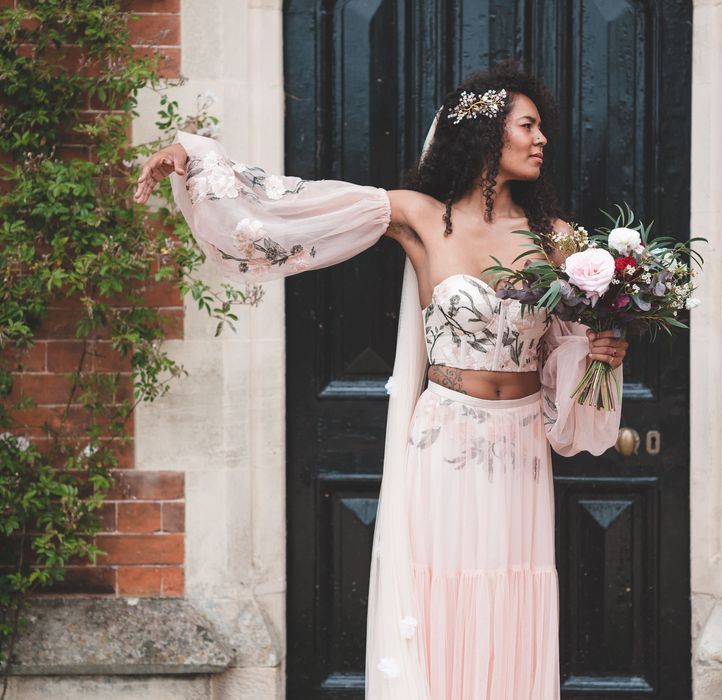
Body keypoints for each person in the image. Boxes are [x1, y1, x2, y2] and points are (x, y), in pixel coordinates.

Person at [134, 60, 628, 700]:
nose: (541, 141)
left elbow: (568, 358)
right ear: (484, 133)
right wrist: (192, 153)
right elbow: (285, 207)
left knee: (512, 587)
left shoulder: (560, 240)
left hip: (521, 449)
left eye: (541, 130)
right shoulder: (419, 216)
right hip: (448, 441)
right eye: (528, 126)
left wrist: (602, 354)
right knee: (445, 589)